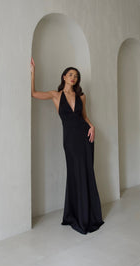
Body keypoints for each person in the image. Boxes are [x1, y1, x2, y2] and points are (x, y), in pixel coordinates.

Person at [31, 57, 104, 234]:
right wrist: (33, 72)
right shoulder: (56, 95)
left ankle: (89, 215)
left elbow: (84, 117)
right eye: (71, 74)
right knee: (75, 173)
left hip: (85, 136)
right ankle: (76, 214)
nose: (74, 78)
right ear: (64, 77)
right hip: (70, 140)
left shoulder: (81, 96)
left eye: (76, 76)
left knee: (86, 172)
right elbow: (33, 93)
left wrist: (92, 126)